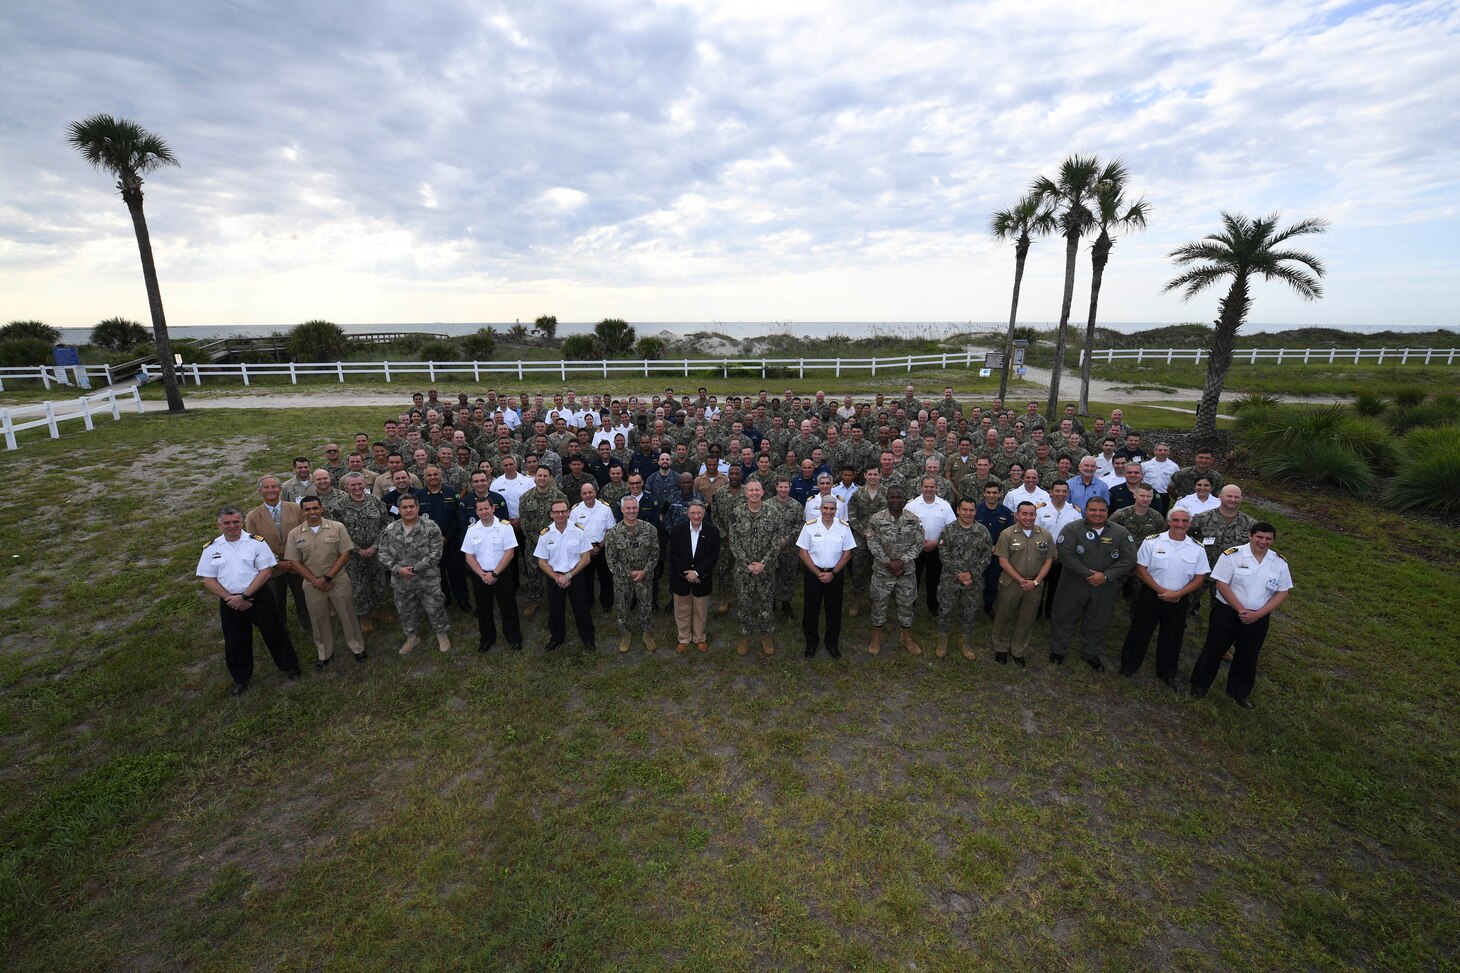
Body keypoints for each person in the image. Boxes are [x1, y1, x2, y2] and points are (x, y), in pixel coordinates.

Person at [196, 506, 302, 696]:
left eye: (236, 522)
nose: (232, 526)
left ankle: (290, 666)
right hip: (229, 600)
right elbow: (208, 580)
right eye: (227, 523)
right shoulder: (211, 548)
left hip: (258, 596)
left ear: (242, 522)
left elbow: (266, 571)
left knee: (274, 632)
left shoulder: (256, 543)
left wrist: (245, 596)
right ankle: (241, 679)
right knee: (235, 641)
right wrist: (232, 599)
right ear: (218, 525)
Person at [1190, 523, 1293, 709]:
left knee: (1248, 655)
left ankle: (1239, 691)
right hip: (1228, 611)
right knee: (1214, 649)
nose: (1263, 541)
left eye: (1268, 538)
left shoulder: (1279, 562)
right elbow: (1221, 584)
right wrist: (1240, 610)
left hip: (1259, 616)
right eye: (1259, 537)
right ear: (1250, 536)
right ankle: (1199, 685)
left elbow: (1283, 592)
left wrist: (1259, 614)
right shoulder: (1233, 555)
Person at [1119, 507, 1208, 687]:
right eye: (1176, 520)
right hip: (1151, 594)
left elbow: (1200, 578)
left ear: (1189, 524)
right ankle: (1129, 665)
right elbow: (1140, 569)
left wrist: (1177, 594)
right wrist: (1161, 590)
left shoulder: (1197, 549)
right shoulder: (1152, 542)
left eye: (1184, 521)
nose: (1180, 524)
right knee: (1139, 631)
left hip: (1179, 598)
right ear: (1169, 522)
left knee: (1172, 637)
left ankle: (1167, 673)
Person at [1048, 497, 1137, 672]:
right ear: (1085, 511)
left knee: (1098, 620)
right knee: (1064, 616)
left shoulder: (1121, 533)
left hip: (1105, 586)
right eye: (1093, 510)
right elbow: (1065, 554)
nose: (1097, 513)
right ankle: (1059, 650)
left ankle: (1091, 653)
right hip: (1073, 583)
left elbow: (1130, 559)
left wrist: (1106, 576)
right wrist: (1089, 574)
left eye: (1102, 510)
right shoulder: (1072, 529)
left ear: (1107, 512)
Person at [284, 496, 367, 668]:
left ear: (321, 509)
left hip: (337, 579)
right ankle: (324, 653)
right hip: (312, 583)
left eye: (315, 508)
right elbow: (294, 562)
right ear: (302, 511)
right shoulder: (295, 534)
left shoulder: (337, 527)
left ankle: (357, 647)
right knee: (318, 618)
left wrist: (327, 577)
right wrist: (315, 581)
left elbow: (345, 554)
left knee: (348, 615)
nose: (312, 512)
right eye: (307, 509)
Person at [377, 495, 452, 656]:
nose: (409, 510)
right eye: (405, 507)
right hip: (401, 579)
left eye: (412, 506)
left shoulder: (430, 527)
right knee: (405, 610)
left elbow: (436, 552)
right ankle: (412, 637)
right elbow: (382, 553)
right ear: (400, 509)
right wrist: (397, 569)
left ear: (418, 508)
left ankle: (441, 634)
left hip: (427, 577)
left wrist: (416, 568)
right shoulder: (390, 530)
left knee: (435, 606)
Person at [990, 501, 1055, 666]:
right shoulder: (1007, 534)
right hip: (1011, 583)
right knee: (1004, 616)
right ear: (1017, 515)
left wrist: (1035, 581)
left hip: (1034, 584)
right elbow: (1003, 561)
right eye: (1024, 514)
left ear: (1035, 515)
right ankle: (1001, 648)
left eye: (1031, 514)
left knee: (1027, 618)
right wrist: (1021, 580)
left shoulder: (1045, 535)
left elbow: (1048, 560)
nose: (1028, 517)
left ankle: (1018, 650)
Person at [244, 475, 311, 633]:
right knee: (275, 600)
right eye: (266, 488)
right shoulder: (253, 516)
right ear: (260, 491)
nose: (270, 490)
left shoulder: (296, 508)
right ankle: (280, 628)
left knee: (302, 596)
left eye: (274, 487)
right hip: (272, 567)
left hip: (297, 563)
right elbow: (254, 545)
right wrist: (276, 562)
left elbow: (304, 534)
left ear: (280, 489)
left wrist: (293, 559)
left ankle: (308, 624)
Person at [865, 485, 927, 656]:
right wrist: (888, 562)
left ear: (904, 499)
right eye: (892, 497)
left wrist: (902, 561)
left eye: (898, 497)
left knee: (907, 604)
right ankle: (877, 636)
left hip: (906, 572)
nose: (895, 500)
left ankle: (906, 637)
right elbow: (872, 542)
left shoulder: (913, 520)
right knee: (878, 602)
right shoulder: (876, 519)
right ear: (887, 498)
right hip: (882, 572)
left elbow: (919, 543)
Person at [797, 495, 857, 659]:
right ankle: (811, 644)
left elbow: (847, 553)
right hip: (813, 573)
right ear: (820, 509)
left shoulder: (843, 527)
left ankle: (831, 643)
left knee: (834, 610)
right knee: (811, 610)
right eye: (825, 508)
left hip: (835, 574)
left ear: (836, 510)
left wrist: (833, 573)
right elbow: (803, 553)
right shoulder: (809, 526)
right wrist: (818, 573)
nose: (828, 512)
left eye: (832, 509)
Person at [533, 499, 597, 652]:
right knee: (555, 610)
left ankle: (588, 639)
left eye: (563, 511)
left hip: (575, 576)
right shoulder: (545, 534)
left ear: (568, 513)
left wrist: (568, 576)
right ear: (551, 514)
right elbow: (542, 562)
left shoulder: (579, 531)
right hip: (554, 577)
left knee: (581, 609)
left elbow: (586, 558)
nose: (560, 514)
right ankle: (556, 638)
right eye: (556, 512)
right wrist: (557, 578)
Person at [461, 496, 521, 653]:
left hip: (501, 573)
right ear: (476, 511)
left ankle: (514, 638)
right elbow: (469, 556)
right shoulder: (472, 530)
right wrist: (482, 574)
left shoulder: (505, 527)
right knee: (483, 608)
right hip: (480, 575)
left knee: (508, 607)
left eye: (486, 508)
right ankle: (487, 638)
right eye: (480, 509)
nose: (484, 512)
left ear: (493, 508)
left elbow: (509, 553)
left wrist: (494, 574)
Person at [729, 479, 782, 656]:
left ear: (762, 492)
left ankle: (766, 635)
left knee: (766, 602)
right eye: (750, 490)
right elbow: (734, 543)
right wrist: (748, 564)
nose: (754, 493)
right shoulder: (736, 513)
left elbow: (777, 541)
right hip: (744, 570)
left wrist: (763, 563)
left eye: (756, 490)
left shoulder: (773, 512)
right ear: (746, 493)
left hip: (766, 568)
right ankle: (746, 635)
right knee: (744, 603)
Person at [935, 497, 993, 659]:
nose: (968, 513)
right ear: (958, 511)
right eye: (965, 510)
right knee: (945, 610)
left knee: (969, 612)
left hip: (973, 582)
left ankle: (965, 641)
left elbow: (987, 555)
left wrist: (971, 574)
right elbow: (943, 553)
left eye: (971, 510)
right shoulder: (948, 530)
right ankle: (942, 638)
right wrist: (958, 574)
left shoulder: (982, 531)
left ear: (975, 511)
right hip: (950, 579)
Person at [1189, 485, 1258, 619]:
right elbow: (1187, 538)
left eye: (1236, 497)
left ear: (1241, 499)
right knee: (1187, 602)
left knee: (1222, 612)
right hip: (1202, 571)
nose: (1233, 499)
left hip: (1229, 576)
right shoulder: (1202, 518)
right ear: (1220, 497)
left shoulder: (1250, 524)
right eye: (1229, 496)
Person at [604, 495, 660, 653]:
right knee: (622, 607)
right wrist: (628, 574)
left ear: (638, 509)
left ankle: (646, 632)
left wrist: (645, 571)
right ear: (622, 509)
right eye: (628, 508)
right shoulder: (613, 533)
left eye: (634, 507)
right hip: (622, 579)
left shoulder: (649, 529)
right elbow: (611, 560)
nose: (631, 511)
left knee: (646, 605)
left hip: (645, 577)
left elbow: (655, 554)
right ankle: (625, 633)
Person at [668, 499, 720, 653]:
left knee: (700, 610)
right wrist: (687, 573)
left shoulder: (712, 531)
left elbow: (713, 556)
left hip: (701, 578)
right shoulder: (678, 530)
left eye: (699, 513)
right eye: (693, 513)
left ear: (704, 513)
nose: (696, 516)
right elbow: (674, 554)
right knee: (682, 610)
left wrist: (697, 573)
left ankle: (699, 638)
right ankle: (683, 638)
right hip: (681, 578)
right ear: (687, 514)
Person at [516, 467, 567, 616]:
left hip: (556, 543)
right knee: (533, 572)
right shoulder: (525, 498)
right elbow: (524, 524)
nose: (542, 478)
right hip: (533, 543)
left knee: (556, 569)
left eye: (545, 476)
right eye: (540, 475)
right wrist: (539, 541)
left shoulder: (560, 496)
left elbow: (564, 519)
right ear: (535, 477)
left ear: (550, 477)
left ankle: (558, 596)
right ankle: (535, 599)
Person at [909, 475, 956, 616]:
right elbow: (904, 527)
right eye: (926, 486)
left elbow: (951, 530)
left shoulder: (945, 506)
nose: (929, 489)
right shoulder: (911, 505)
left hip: (937, 548)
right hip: (916, 548)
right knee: (912, 578)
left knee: (934, 578)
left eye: (932, 487)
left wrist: (937, 543)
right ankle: (910, 605)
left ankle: (933, 605)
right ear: (921, 488)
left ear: (937, 488)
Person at [845, 465, 887, 618]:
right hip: (861, 540)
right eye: (870, 474)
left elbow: (892, 514)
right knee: (859, 571)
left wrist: (878, 534)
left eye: (875, 474)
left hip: (882, 540)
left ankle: (876, 602)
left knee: (879, 572)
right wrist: (864, 532)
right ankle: (857, 600)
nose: (873, 477)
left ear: (880, 475)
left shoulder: (887, 493)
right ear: (864, 475)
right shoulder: (857, 494)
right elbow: (852, 515)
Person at [569, 481, 617, 613]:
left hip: (602, 547)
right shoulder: (575, 511)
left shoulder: (605, 508)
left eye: (590, 492)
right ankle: (588, 603)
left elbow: (610, 530)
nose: (588, 495)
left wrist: (600, 546)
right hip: (584, 550)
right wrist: (588, 549)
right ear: (581, 495)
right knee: (586, 579)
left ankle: (607, 603)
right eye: (584, 493)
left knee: (605, 577)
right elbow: (573, 532)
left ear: (595, 492)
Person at [974, 482, 1016, 616]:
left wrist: (997, 547)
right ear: (984, 493)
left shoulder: (1006, 512)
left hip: (996, 554)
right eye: (988, 492)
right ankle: (971, 605)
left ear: (1000, 494)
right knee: (974, 580)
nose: (991, 495)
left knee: (992, 582)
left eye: (994, 493)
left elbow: (1010, 534)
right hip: (977, 554)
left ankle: (988, 604)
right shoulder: (976, 510)